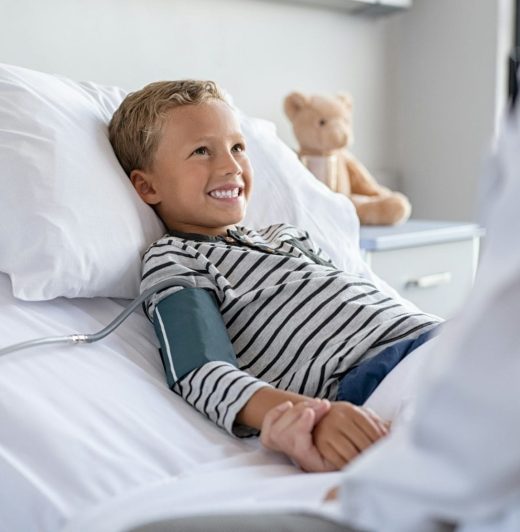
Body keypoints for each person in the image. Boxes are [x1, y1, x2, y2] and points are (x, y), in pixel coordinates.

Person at [109, 79, 441, 472]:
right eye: (201, 151)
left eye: (237, 148)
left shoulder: (287, 235)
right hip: (380, 379)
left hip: (439, 338)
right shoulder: (178, 258)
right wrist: (312, 416)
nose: (231, 166)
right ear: (147, 186)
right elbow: (200, 371)